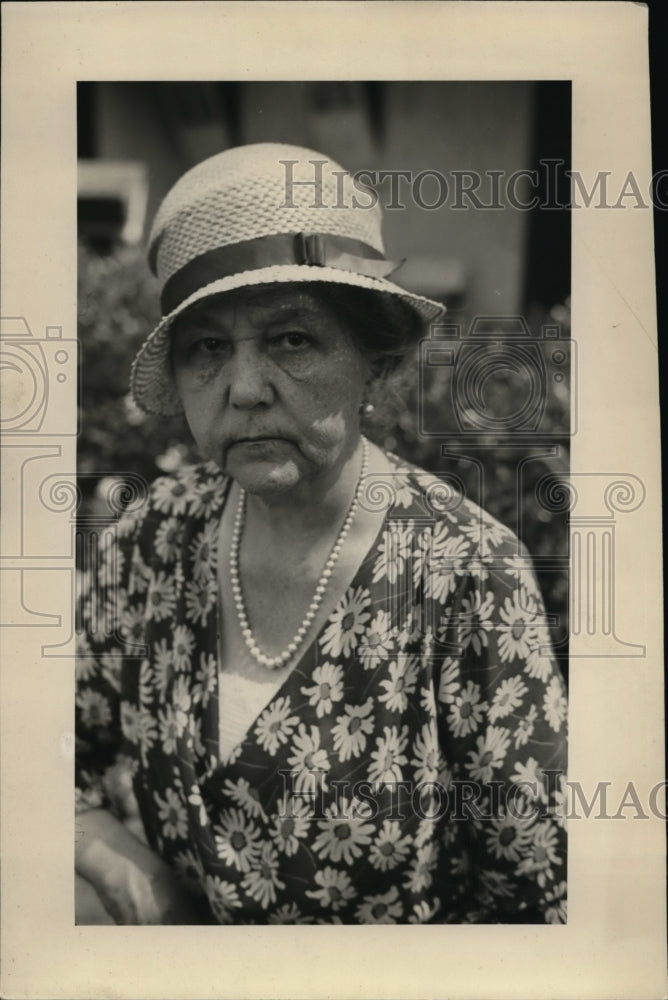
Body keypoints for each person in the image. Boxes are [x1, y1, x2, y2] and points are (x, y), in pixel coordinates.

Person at [75, 143, 567, 925]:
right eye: (208, 348)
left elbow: (532, 906)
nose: (243, 390)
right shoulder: (150, 543)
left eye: (291, 340)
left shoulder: (468, 573)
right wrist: (131, 869)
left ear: (374, 362)